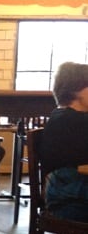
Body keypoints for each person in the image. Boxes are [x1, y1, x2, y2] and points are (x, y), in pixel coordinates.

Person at [40, 61, 88, 222]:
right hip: (67, 199)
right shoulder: (70, 121)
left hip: (70, 191)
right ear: (78, 90)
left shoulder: (64, 117)